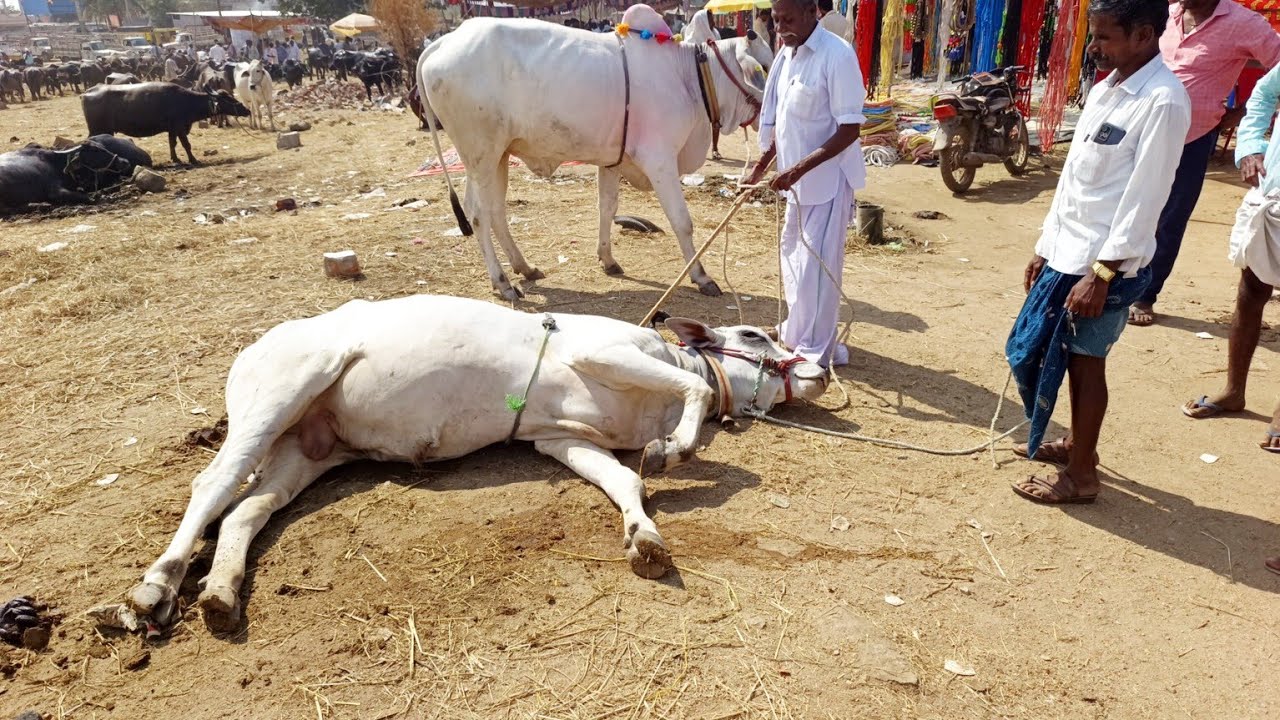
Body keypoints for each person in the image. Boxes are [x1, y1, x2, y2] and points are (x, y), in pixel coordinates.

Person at [1008, 0, 1191, 504]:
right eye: (1095, 36)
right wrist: (1046, 247)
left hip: (1104, 266)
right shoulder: (1105, 90)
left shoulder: (1162, 101)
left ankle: (1082, 475)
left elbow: (1146, 198)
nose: (1093, 48)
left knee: (1087, 362)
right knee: (1048, 355)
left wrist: (1104, 273)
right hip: (1067, 255)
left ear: (1144, 35)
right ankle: (1076, 445)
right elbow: (1075, 182)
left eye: (1105, 37)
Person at [1128, 0, 1280, 326]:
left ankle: (1145, 294)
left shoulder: (1244, 23)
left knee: (1170, 219)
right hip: (1140, 131)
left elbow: (1277, 70)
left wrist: (1240, 115)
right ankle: (1109, 280)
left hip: (1193, 139)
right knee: (1126, 205)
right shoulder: (1165, 14)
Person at [745, 0, 866, 369]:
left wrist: (797, 170)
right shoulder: (786, 55)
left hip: (827, 182)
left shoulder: (837, 56)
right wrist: (761, 167)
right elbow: (786, 123)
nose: (780, 27)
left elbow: (849, 129)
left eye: (789, 19)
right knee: (793, 256)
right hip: (796, 184)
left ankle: (814, 349)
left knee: (817, 269)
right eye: (776, 20)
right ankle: (796, 331)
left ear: (812, 12)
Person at [1181, 58, 1280, 456]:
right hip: (1274, 195)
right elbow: (1262, 97)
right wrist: (1252, 148)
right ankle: (1233, 391)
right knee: (1250, 291)